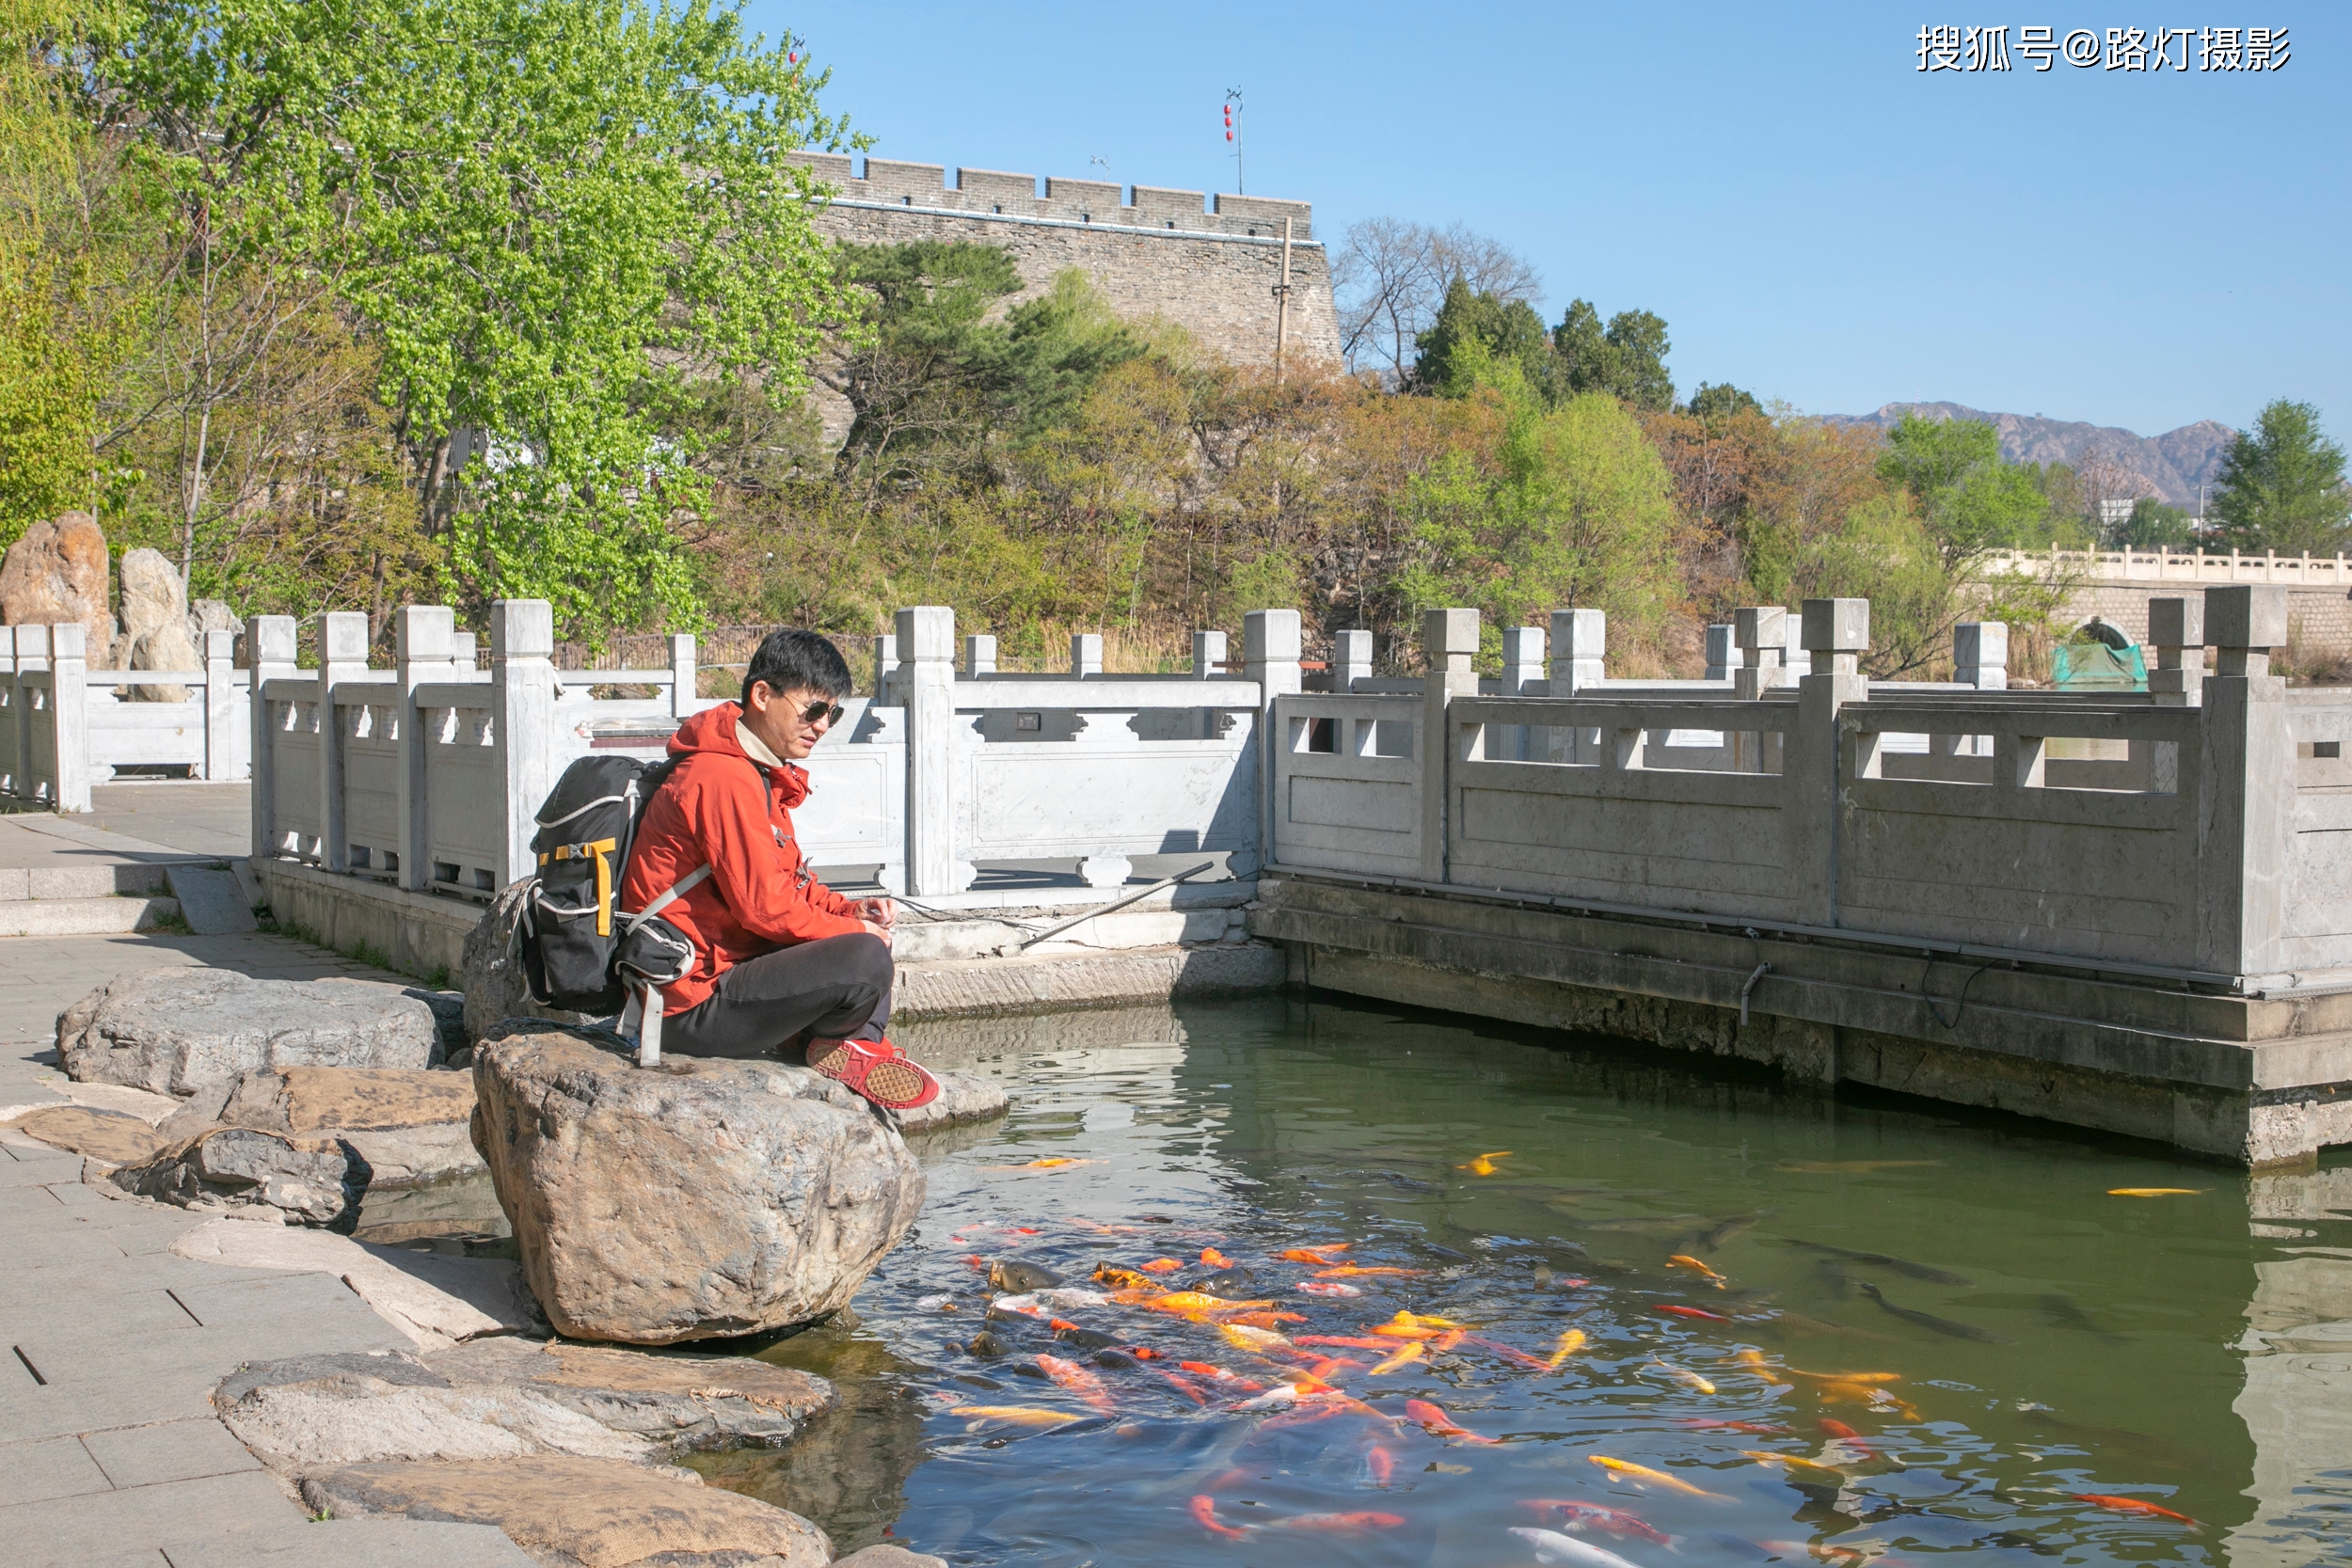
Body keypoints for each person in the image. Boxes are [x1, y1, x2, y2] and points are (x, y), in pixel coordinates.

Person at [618, 628, 940, 1111]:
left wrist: (852, 910)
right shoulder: (721, 777)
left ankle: (842, 1046)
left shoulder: (755, 772)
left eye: (833, 713)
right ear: (762, 695)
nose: (822, 725)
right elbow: (766, 909)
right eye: (813, 710)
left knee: (867, 944)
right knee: (864, 959)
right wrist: (853, 932)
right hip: (683, 1005)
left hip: (725, 974)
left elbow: (791, 884)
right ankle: (848, 1045)